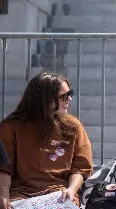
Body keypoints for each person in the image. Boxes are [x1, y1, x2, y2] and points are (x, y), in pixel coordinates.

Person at [0, 72, 93, 207]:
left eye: (70, 93)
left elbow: (81, 168)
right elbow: (4, 167)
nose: (69, 99)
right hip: (20, 194)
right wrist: (3, 194)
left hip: (59, 193)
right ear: (44, 100)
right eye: (64, 96)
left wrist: (71, 190)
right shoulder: (10, 128)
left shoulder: (73, 127)